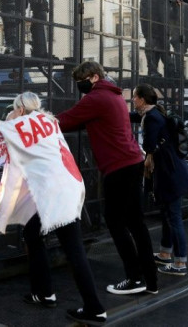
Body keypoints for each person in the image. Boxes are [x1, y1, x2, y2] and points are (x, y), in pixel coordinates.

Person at [0, 93, 106, 325]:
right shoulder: (49, 121)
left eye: (12, 110)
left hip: (52, 195)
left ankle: (94, 307)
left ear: (21, 110)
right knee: (33, 234)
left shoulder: (18, 124)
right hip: (68, 187)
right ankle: (44, 293)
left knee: (74, 250)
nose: (10, 114)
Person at [56, 61, 158, 295]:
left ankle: (134, 278)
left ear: (92, 77)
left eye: (81, 81)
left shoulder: (95, 98)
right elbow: (82, 121)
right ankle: (149, 280)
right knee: (136, 223)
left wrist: (36, 122)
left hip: (119, 167)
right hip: (131, 162)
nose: (79, 86)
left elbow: (66, 120)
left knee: (114, 221)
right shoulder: (112, 96)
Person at [130, 84, 188, 277]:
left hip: (169, 174)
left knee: (173, 218)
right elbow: (135, 117)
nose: (133, 100)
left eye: (134, 97)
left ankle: (180, 262)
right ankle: (166, 253)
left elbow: (149, 145)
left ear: (142, 99)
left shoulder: (151, 118)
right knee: (167, 215)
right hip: (172, 172)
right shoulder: (154, 113)